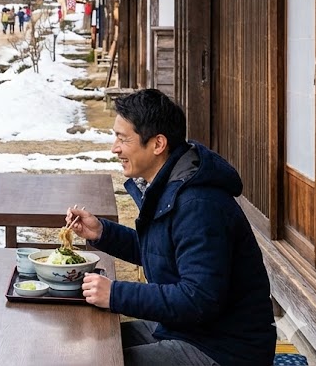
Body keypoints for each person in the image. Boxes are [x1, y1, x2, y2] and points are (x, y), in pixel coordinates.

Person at [66, 89, 275, 366]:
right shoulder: (168, 186)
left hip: (224, 349)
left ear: (157, 144)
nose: (114, 148)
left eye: (123, 139)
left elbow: (199, 298)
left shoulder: (199, 204)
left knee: (99, 361)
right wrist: (102, 232)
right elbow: (165, 253)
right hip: (186, 329)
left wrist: (116, 293)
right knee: (88, 342)